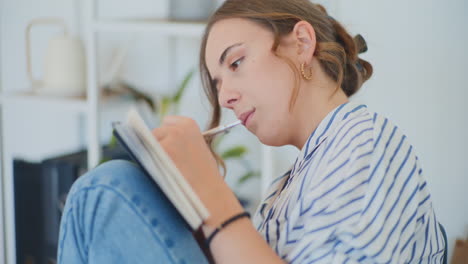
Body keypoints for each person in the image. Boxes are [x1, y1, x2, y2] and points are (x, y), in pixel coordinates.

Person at [57, 0, 446, 263]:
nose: (225, 96)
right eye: (218, 82)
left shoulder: (366, 138)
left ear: (302, 43)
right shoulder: (285, 187)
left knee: (106, 189)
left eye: (237, 63)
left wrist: (213, 197)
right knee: (110, 187)